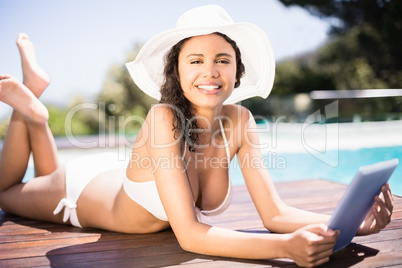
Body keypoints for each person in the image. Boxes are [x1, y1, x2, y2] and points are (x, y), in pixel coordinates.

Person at [0, 5, 394, 267]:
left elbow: (275, 215)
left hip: (115, 176)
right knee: (7, 193)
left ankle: (35, 112)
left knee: (36, 179)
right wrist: (285, 250)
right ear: (177, 71)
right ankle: (33, 110)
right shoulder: (163, 118)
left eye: (223, 60)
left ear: (236, 71)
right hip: (81, 190)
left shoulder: (241, 121)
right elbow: (189, 235)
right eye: (196, 60)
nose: (211, 71)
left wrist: (351, 225)